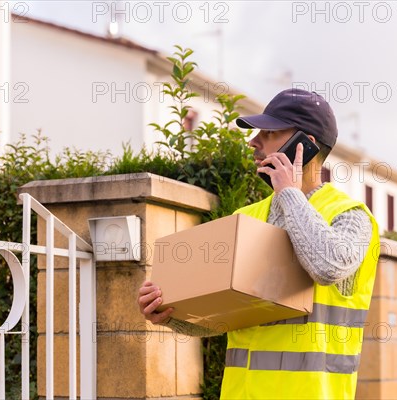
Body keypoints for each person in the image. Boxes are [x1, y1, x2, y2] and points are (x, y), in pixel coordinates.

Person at [138, 88, 379, 399]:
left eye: (269, 133)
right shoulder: (247, 217)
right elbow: (222, 319)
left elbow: (327, 265)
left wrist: (289, 193)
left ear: (307, 145)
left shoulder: (350, 216)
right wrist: (170, 314)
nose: (253, 142)